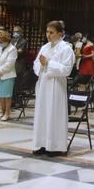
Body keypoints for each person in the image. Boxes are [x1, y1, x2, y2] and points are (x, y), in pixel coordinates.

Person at [31, 20, 75, 156]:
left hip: (56, 86)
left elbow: (66, 70)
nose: (48, 35)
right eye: (47, 32)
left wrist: (49, 63)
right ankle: (42, 144)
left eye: (52, 32)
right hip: (43, 84)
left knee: (54, 114)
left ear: (60, 33)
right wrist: (41, 66)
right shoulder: (44, 47)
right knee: (42, 114)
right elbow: (35, 64)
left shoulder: (66, 48)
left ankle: (55, 146)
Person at [0, 27, 17, 120]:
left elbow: (10, 63)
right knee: (0, 96)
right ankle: (2, 113)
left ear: (7, 40)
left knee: (7, 96)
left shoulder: (12, 49)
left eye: (1, 40)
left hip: (8, 75)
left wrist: (0, 71)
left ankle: (7, 113)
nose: (0, 42)